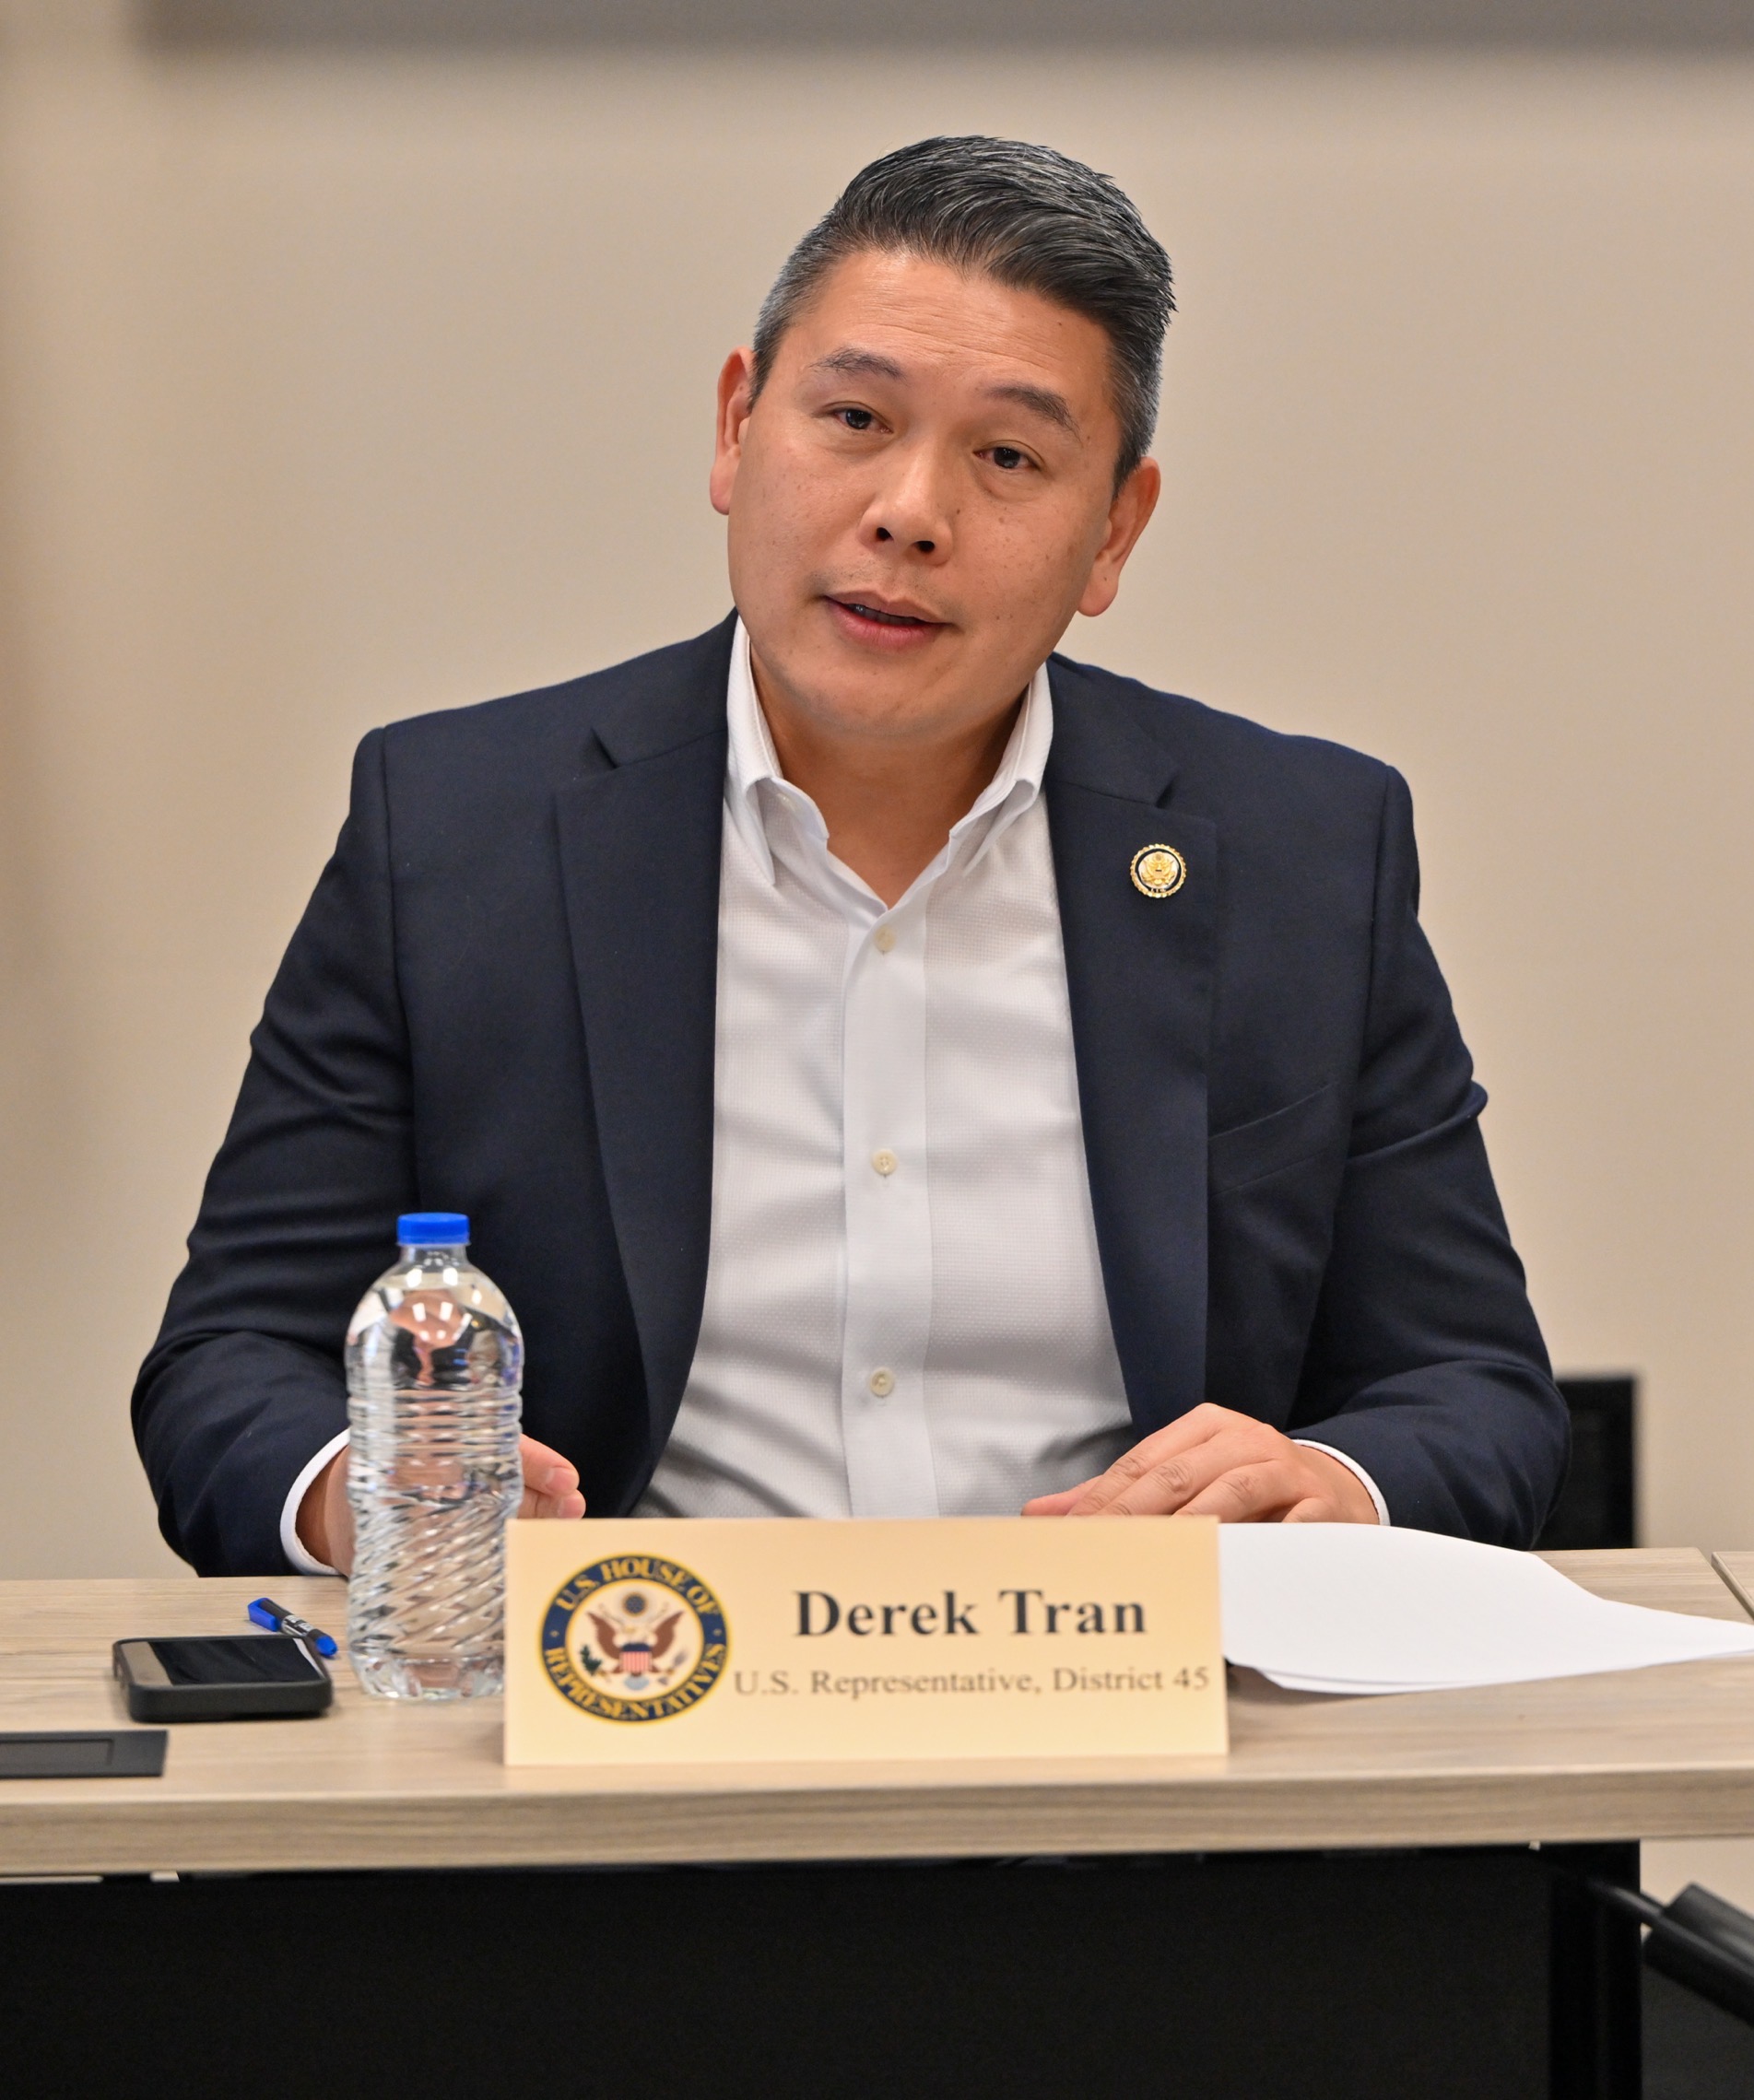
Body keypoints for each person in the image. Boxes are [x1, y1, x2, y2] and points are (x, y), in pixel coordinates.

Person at [137, 136, 1567, 1577]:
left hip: (1137, 1732)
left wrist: (1326, 1480)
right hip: (638, 1709)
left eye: (1008, 457)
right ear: (737, 428)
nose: (910, 514)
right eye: (856, 419)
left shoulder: (1298, 851)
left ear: (1112, 536)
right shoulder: (455, 827)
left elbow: (1475, 1393)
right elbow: (232, 1360)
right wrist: (364, 1490)